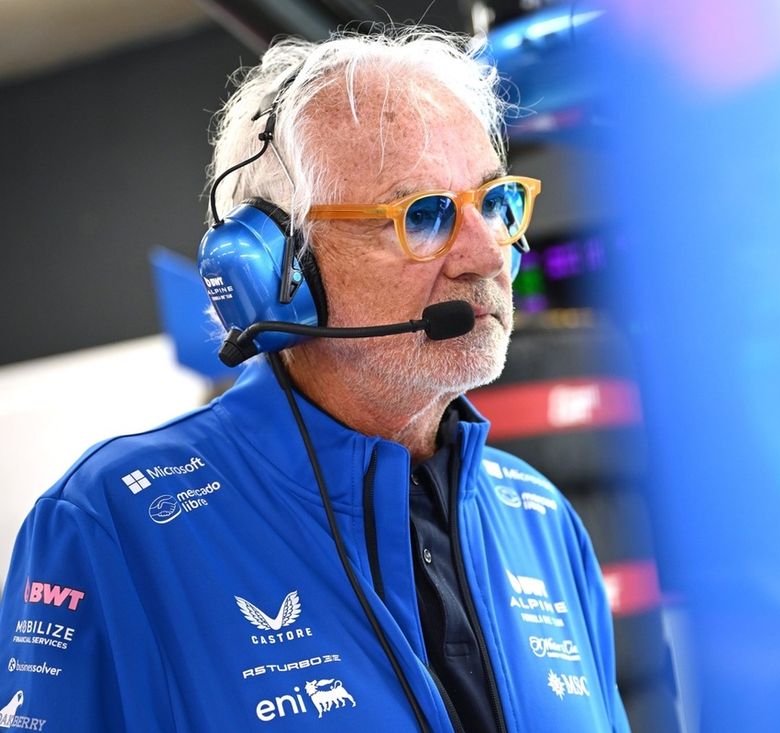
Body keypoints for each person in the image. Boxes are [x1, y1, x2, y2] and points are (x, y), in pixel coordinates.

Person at [0, 29, 629, 732]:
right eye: (423, 214)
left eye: (495, 202)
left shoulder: (544, 520)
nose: (489, 252)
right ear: (280, 271)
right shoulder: (111, 523)